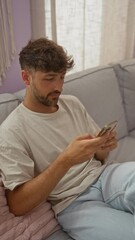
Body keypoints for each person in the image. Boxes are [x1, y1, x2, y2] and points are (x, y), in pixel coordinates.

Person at [0, 37, 135, 240]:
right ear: (26, 78)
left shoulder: (71, 103)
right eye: (50, 78)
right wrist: (66, 160)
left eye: (62, 77)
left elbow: (100, 156)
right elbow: (18, 205)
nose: (58, 87)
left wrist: (103, 145)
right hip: (72, 202)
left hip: (105, 176)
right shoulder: (10, 132)